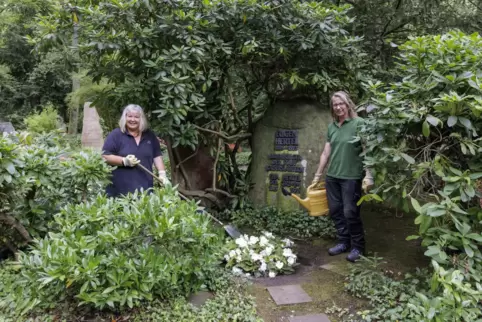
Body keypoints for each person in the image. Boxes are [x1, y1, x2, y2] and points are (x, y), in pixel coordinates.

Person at [312, 91, 373, 262]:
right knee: (335, 211)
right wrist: (318, 175)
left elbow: (367, 150)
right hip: (333, 177)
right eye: (335, 105)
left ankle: (358, 247)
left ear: (348, 104)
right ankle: (344, 242)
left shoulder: (359, 123)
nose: (338, 107)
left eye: (341, 104)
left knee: (350, 212)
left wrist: (368, 175)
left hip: (351, 177)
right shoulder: (332, 127)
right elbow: (326, 153)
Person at [102, 104, 170, 197]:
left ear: (141, 119)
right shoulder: (116, 135)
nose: (132, 120)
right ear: (125, 117)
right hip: (120, 191)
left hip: (145, 190)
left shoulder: (150, 135)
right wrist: (124, 161)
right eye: (129, 116)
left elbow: (157, 155)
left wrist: (162, 174)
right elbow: (105, 156)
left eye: (136, 117)